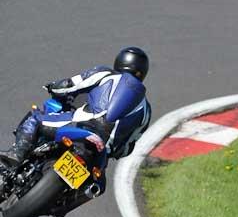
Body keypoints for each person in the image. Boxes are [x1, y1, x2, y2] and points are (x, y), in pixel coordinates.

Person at [0, 46, 152, 168]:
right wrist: (111, 151)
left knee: (35, 119)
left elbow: (70, 85)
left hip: (82, 126)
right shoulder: (146, 111)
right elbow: (128, 147)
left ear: (120, 61)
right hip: (101, 153)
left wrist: (52, 87)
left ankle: (16, 155)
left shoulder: (106, 74)